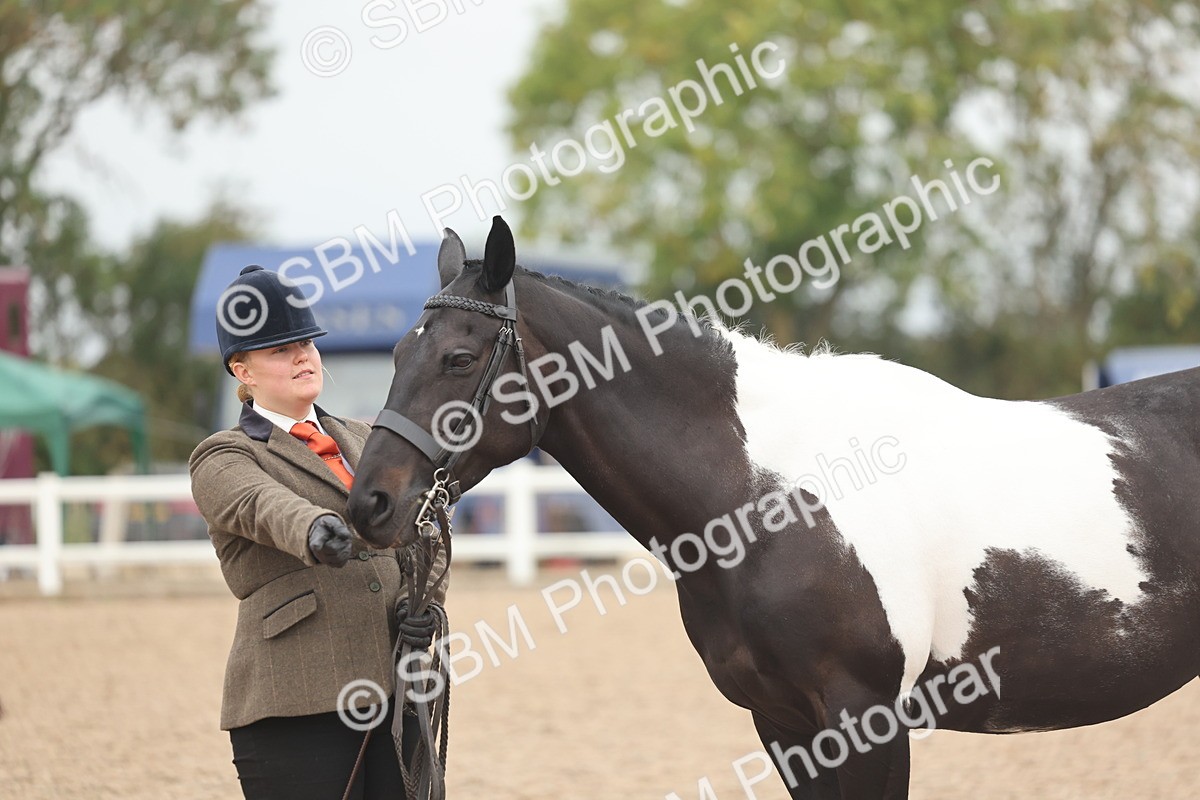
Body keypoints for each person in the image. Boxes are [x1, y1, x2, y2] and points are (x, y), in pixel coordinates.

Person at [189, 265, 446, 800]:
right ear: (243, 370)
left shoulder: (370, 438)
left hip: (401, 692)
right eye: (280, 349)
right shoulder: (223, 454)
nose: (304, 355)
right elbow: (262, 505)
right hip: (296, 700)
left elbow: (426, 528)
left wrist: (424, 603)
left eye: (306, 341)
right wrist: (318, 529)